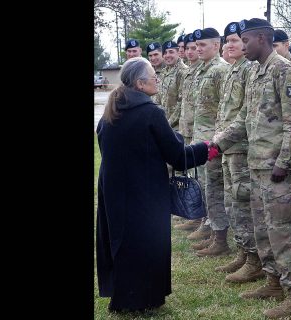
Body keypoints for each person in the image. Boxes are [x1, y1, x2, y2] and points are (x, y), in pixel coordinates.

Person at [96, 57, 210, 313]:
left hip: (114, 190)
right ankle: (144, 300)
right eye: (153, 76)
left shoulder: (111, 110)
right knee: (148, 243)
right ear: (140, 83)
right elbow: (178, 157)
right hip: (145, 193)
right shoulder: (151, 112)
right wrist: (208, 148)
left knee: (122, 242)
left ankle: (124, 300)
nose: (156, 79)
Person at [210, 18, 291, 318]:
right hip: (255, 164)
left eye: (246, 41)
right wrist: (215, 145)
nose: (242, 46)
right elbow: (243, 119)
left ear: (262, 39)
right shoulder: (255, 72)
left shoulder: (283, 69)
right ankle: (272, 282)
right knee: (263, 231)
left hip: (276, 169)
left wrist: (284, 163)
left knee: (284, 233)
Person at [212, 21, 264, 284]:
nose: (232, 45)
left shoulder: (249, 70)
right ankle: (244, 252)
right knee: (233, 202)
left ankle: (254, 260)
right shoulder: (234, 70)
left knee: (243, 203)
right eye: (228, 41)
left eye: (235, 40)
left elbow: (246, 116)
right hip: (228, 146)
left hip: (242, 148)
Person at [191, 27, 231, 257]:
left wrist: (216, 141)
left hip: (214, 141)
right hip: (201, 139)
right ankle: (211, 230)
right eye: (197, 46)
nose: (198, 49)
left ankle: (220, 239)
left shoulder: (220, 70)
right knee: (206, 186)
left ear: (217, 45)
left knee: (215, 189)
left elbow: (223, 110)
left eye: (202, 45)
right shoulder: (202, 70)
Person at [173, 32, 208, 235]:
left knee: (208, 184)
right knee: (194, 178)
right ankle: (195, 215)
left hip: (208, 135)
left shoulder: (216, 70)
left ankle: (208, 225)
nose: (191, 51)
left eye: (195, 47)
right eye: (189, 48)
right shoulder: (193, 72)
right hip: (190, 130)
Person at [159, 40, 188, 130]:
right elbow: (159, 98)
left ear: (178, 53)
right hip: (164, 123)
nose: (167, 55)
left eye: (171, 52)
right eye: (165, 53)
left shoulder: (183, 72)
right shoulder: (164, 72)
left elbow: (182, 103)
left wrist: (168, 123)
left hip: (177, 126)